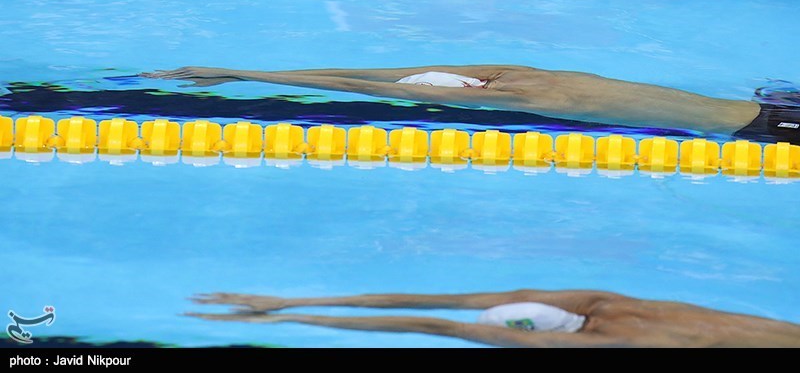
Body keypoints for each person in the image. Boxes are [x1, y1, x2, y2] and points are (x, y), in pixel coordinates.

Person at [141, 65, 800, 143]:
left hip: (770, 129)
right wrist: (237, 73)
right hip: (768, 109)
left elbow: (372, 86)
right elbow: (380, 72)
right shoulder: (512, 71)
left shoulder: (522, 94)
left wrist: (238, 74)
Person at [186, 288, 800, 347]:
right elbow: (436, 303)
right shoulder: (603, 302)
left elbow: (439, 324)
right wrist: (292, 302)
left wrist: (293, 319)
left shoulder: (604, 343)